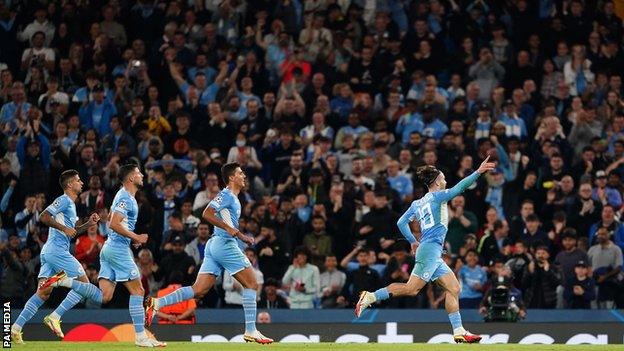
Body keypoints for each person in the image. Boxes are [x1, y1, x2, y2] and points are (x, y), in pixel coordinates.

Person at [355, 156, 496, 343]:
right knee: (411, 289)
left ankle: (459, 330)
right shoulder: (438, 197)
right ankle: (370, 296)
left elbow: (401, 222)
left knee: (454, 288)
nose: (445, 181)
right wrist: (478, 172)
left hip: (432, 251)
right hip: (430, 250)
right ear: (437, 182)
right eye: (443, 178)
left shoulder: (417, 203)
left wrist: (413, 241)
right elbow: (460, 188)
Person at [145, 162, 273, 344]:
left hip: (215, 244)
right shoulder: (227, 195)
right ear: (231, 177)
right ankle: (251, 330)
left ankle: (157, 304)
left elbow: (225, 223)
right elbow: (207, 213)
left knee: (199, 290)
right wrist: (233, 230)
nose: (244, 175)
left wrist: (240, 234)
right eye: (240, 173)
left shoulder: (234, 197)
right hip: (224, 245)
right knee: (252, 284)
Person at [40, 165, 165, 347]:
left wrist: (131, 238)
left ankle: (62, 286)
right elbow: (113, 224)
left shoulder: (125, 196)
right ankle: (141, 337)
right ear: (130, 178)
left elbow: (118, 224)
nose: (142, 175)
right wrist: (136, 236)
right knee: (138, 291)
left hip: (110, 248)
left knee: (104, 296)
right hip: (117, 250)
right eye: (138, 173)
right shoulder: (125, 197)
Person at [11, 170, 99, 344]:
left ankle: (15, 328)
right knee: (84, 285)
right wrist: (64, 228)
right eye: (78, 180)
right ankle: (55, 316)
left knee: (43, 293)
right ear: (69, 184)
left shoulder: (71, 205)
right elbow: (44, 216)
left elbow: (71, 232)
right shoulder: (64, 200)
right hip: (57, 251)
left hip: (50, 252)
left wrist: (88, 224)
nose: (82, 183)